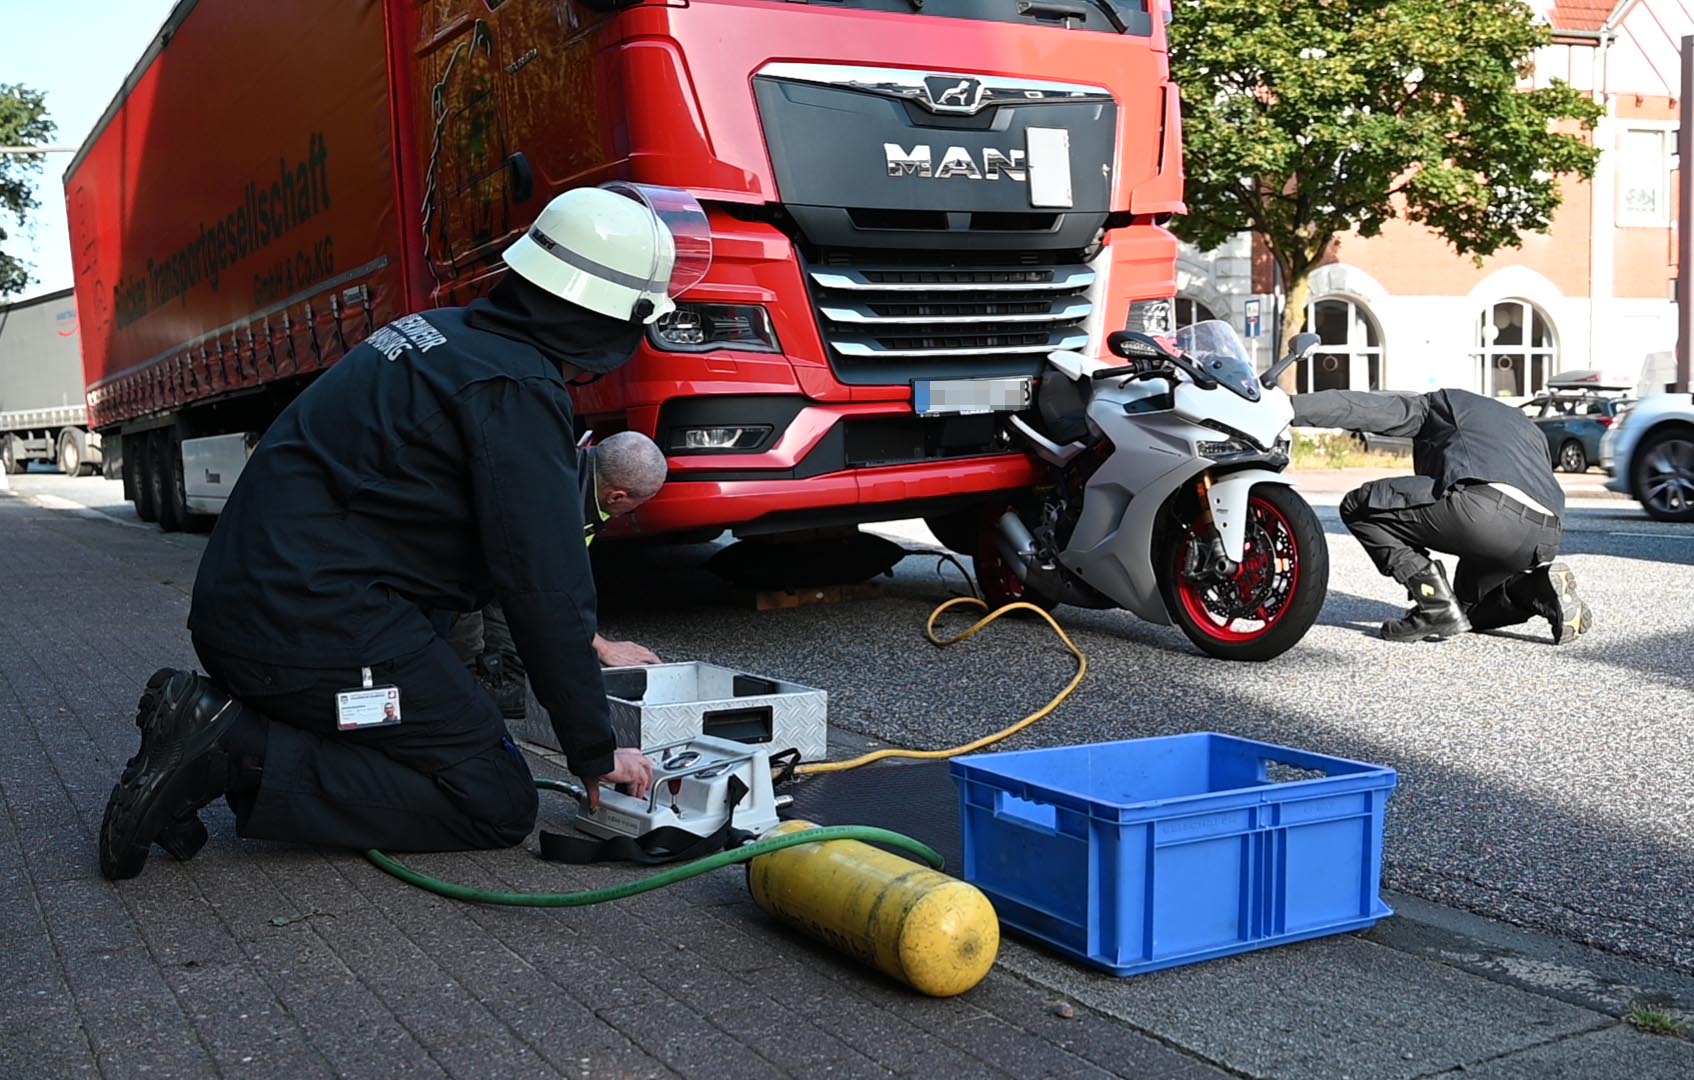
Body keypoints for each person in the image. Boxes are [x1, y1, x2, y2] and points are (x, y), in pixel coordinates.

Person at [97, 183, 711, 879]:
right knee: (493, 798)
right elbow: (543, 579)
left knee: (439, 730)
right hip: (308, 631)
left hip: (268, 613)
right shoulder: (513, 386)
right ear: (607, 317)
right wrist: (594, 751)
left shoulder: (441, 336)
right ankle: (227, 745)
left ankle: (216, 734)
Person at [1292, 387, 1593, 644]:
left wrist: (1288, 407)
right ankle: (1537, 589)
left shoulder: (1439, 405)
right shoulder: (1523, 424)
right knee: (1465, 612)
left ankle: (1433, 606)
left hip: (1483, 513)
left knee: (1359, 506)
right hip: (1545, 535)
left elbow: (1359, 408)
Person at [450, 430, 668, 719]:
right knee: (464, 678)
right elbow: (543, 591)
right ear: (617, 496)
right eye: (638, 504)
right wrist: (603, 647)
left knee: (533, 676)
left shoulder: (581, 474)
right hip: (452, 573)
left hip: (499, 577)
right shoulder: (556, 509)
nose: (635, 511)